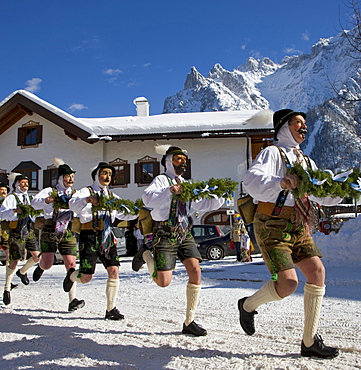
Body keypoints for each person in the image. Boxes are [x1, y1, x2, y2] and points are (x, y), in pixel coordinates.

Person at [239, 109, 341, 358]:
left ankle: (309, 341)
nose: (303, 127)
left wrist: (339, 190)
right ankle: (247, 305)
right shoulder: (272, 153)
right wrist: (280, 182)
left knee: (317, 272)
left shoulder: (305, 161)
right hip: (272, 224)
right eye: (298, 122)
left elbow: (317, 192)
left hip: (299, 224)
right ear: (285, 127)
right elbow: (251, 182)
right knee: (287, 284)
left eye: (304, 123)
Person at [132, 145, 225, 336]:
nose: (182, 163)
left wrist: (219, 198)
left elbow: (201, 203)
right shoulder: (161, 180)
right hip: (165, 231)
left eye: (184, 160)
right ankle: (146, 254)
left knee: (195, 271)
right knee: (164, 282)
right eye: (178, 159)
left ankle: (189, 321)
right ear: (168, 162)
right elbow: (147, 199)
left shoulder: (187, 183)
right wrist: (169, 191)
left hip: (184, 230)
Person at [64, 162, 136, 320]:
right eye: (104, 173)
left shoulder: (111, 196)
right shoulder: (86, 191)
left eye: (110, 175)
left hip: (107, 236)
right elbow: (72, 204)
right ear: (96, 175)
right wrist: (87, 200)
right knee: (86, 277)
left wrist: (136, 211)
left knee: (114, 270)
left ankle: (111, 309)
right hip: (89, 235)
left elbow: (123, 214)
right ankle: (71, 276)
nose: (108, 177)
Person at [31, 158, 85, 312]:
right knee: (48, 263)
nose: (71, 179)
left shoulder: (75, 193)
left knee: (71, 265)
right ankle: (41, 266)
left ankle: (72, 300)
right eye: (68, 177)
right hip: (50, 231)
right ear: (61, 178)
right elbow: (34, 203)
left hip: (67, 230)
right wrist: (46, 201)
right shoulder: (50, 191)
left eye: (73, 177)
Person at [0, 173, 41, 305]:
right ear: (17, 184)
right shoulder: (11, 198)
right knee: (14, 260)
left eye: (26, 182)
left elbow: (37, 212)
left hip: (29, 231)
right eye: (22, 182)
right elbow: (2, 213)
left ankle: (22, 272)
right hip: (16, 231)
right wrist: (14, 211)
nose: (25, 185)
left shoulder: (30, 198)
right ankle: (7, 288)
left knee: (37, 257)